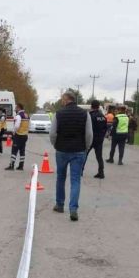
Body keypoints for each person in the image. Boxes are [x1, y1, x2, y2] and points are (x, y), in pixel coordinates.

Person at [50, 92, 93, 222]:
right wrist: (86, 147)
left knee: (61, 177)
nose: (62, 102)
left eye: (62, 99)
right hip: (79, 150)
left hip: (62, 150)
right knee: (75, 180)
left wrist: (55, 145)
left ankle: (59, 205)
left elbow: (52, 133)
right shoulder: (85, 114)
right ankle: (73, 209)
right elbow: (89, 134)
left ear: (66, 99)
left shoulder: (58, 114)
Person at [84, 100, 108, 179]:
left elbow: (87, 128)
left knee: (84, 155)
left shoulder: (90, 116)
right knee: (99, 157)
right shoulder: (103, 116)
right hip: (99, 140)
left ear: (91, 106)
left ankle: (80, 171)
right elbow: (105, 128)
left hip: (91, 139)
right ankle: (101, 173)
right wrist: (102, 137)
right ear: (98, 106)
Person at [5, 103, 30, 171]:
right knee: (22, 151)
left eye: (16, 108)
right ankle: (21, 166)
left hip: (18, 135)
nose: (15, 109)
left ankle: (11, 165)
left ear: (19, 108)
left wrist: (13, 132)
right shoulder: (27, 115)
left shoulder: (19, 116)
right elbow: (28, 125)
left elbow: (16, 126)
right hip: (25, 135)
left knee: (14, 150)